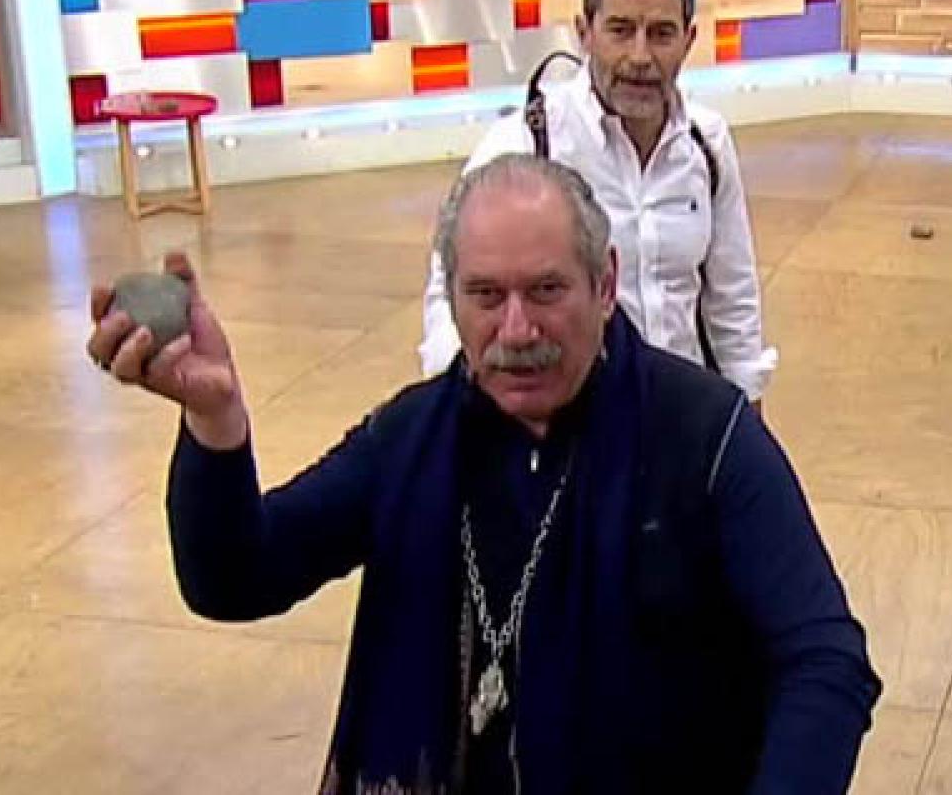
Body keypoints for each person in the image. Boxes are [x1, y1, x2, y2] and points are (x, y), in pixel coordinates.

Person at [86, 154, 880, 794]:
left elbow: (825, 660)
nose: (517, 329)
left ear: (605, 284)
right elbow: (234, 579)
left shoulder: (706, 434)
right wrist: (216, 420)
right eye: (486, 296)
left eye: (547, 290)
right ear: (453, 299)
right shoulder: (411, 439)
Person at [419, 0, 779, 402]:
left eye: (661, 34)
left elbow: (733, 300)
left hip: (681, 413)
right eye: (620, 31)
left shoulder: (707, 144)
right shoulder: (526, 145)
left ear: (689, 41)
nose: (640, 57)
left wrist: (746, 410)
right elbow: (450, 297)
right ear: (584, 33)